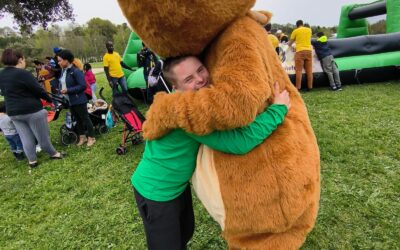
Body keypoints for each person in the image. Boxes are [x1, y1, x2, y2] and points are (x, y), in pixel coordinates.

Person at [132, 55, 291, 250]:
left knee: (184, 232)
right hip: (155, 193)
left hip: (176, 188)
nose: (200, 79)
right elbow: (240, 141)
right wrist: (278, 109)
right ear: (176, 88)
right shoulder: (189, 112)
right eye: (188, 79)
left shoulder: (185, 100)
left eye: (200, 69)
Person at [0, 48, 64, 168]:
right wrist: (50, 100)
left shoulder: (1, 74)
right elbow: (38, 90)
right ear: (20, 60)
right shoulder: (23, 73)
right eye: (23, 59)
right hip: (32, 110)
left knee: (25, 137)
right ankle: (54, 153)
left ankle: (32, 161)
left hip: (13, 112)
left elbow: (4, 92)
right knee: (42, 136)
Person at [57, 50, 96, 147]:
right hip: (70, 101)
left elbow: (82, 86)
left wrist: (68, 90)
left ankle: (91, 137)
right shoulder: (64, 71)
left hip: (79, 100)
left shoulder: (76, 71)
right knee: (77, 119)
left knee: (85, 118)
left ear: (66, 60)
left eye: (60, 60)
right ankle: (82, 137)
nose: (59, 63)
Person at [288, 20, 313, 91]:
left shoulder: (295, 31)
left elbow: (290, 43)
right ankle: (310, 87)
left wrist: (287, 44)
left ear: (297, 25)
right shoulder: (309, 30)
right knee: (309, 71)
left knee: (299, 71)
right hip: (309, 51)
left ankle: (298, 87)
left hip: (300, 51)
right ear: (302, 24)